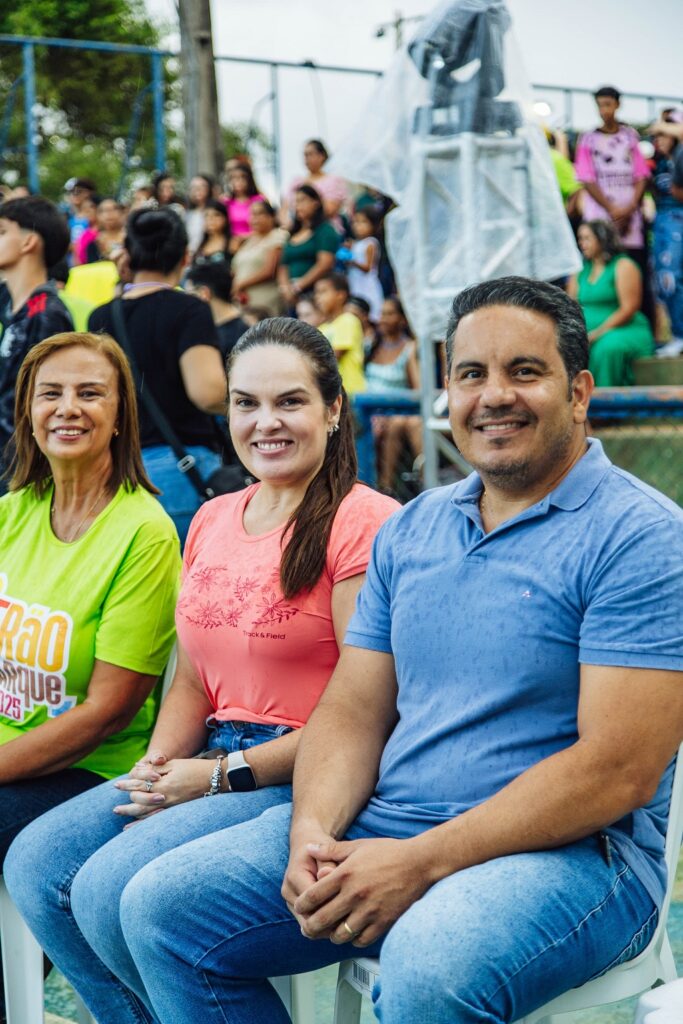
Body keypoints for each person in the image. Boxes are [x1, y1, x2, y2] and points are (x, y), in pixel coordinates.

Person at [23, 275, 683, 1024]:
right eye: (470, 374)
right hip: (387, 820)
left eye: (523, 371)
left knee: (432, 966)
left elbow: (616, 771)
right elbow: (353, 709)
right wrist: (311, 831)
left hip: (571, 856)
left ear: (579, 392)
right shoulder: (418, 527)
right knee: (156, 909)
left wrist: (420, 859)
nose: (492, 395)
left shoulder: (641, 537)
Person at [4, 318, 399, 1024]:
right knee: (36, 863)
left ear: (334, 409)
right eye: (246, 404)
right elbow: (189, 671)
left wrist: (220, 774)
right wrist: (159, 768)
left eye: (289, 402)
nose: (264, 423)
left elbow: (367, 715)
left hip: (310, 771)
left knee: (109, 889)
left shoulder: (363, 522)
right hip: (210, 750)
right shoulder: (215, 516)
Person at [0, 329, 179, 865]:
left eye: (90, 393)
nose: (67, 409)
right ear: (28, 412)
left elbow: (107, 713)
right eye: (50, 393)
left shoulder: (145, 533)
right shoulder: (12, 512)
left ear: (121, 413)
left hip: (89, 772)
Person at [88, 206, 227, 544]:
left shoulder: (101, 316)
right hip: (183, 471)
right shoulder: (190, 309)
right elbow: (208, 393)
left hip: (120, 471)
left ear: (129, 256)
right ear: (184, 255)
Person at [0, 195, 73, 486]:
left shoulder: (47, 313)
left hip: (21, 473)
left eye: (2, 231)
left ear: (29, 242)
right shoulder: (11, 306)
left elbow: (41, 400)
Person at [574, 86, 653, 324]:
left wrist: (629, 209)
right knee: (599, 265)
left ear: (617, 105)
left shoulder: (630, 136)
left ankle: (642, 326)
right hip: (601, 218)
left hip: (630, 220)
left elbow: (641, 174)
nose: (604, 110)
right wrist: (612, 210)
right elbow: (586, 177)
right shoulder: (588, 138)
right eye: (600, 105)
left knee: (635, 269)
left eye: (608, 104)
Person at [568, 220, 654, 386]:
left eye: (587, 238)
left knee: (606, 349)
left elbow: (629, 308)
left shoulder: (623, 265)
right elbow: (570, 307)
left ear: (602, 239)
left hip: (624, 329)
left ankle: (604, 403)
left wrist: (597, 333)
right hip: (588, 333)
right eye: (580, 238)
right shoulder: (580, 271)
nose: (581, 243)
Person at [366, 296, 422, 492]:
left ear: (402, 319)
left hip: (395, 411)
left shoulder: (409, 348)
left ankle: (386, 486)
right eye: (382, 313)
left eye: (390, 314)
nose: (383, 318)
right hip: (368, 413)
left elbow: (418, 388)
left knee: (396, 424)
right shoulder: (371, 345)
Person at [649, 120, 683, 345]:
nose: (659, 140)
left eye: (664, 135)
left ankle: (680, 335)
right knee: (663, 279)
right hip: (661, 224)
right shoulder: (659, 163)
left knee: (672, 276)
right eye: (656, 136)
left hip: (676, 223)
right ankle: (676, 334)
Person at [278, 185, 337, 309]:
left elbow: (325, 263)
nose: (297, 206)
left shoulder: (325, 230)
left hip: (314, 294)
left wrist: (298, 286)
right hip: (291, 297)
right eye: (295, 202)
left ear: (315, 202)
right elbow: (283, 265)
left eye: (302, 200)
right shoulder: (292, 234)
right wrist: (285, 288)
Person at [231, 199, 289, 315]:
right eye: (252, 214)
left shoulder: (278, 236)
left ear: (271, 217)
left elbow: (269, 271)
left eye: (260, 213)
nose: (254, 218)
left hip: (265, 299)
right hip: (244, 301)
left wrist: (240, 285)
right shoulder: (248, 241)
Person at [184, 261, 250, 359]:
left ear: (204, 293)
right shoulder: (242, 328)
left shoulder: (235, 337)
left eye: (189, 294)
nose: (186, 301)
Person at [314, 272, 366, 395]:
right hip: (333, 393)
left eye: (323, 292)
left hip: (351, 392)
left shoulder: (348, 320)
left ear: (340, 295)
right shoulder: (323, 327)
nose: (317, 297)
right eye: (316, 293)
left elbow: (334, 356)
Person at [283, 139, 349, 233]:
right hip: (299, 231)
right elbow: (285, 209)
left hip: (326, 231)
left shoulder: (333, 180)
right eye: (305, 155)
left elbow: (329, 209)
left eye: (310, 154)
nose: (306, 159)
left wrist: (302, 212)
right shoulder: (297, 182)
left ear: (322, 156)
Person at [346, 209, 385, 322]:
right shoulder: (356, 243)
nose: (357, 226)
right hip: (356, 281)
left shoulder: (370, 243)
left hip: (366, 283)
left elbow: (368, 267)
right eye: (356, 222)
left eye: (363, 222)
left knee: (370, 310)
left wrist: (353, 262)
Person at [223, 162, 264, 252]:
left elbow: (265, 225)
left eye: (242, 177)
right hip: (231, 246)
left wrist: (243, 237)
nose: (238, 181)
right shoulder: (225, 202)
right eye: (234, 178)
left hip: (255, 244)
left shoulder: (259, 200)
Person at [193, 198, 232, 266]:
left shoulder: (232, 243)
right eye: (206, 215)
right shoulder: (201, 245)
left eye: (216, 215)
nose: (210, 219)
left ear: (225, 219)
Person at [185, 174, 216, 256]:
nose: (197, 190)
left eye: (202, 186)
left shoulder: (216, 212)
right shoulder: (187, 214)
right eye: (194, 187)